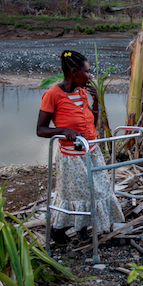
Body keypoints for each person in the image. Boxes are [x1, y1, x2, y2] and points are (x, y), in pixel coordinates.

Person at [37, 50, 124, 244]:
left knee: (99, 191)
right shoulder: (53, 94)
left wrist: (95, 104)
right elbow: (41, 130)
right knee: (81, 194)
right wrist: (63, 130)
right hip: (72, 157)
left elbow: (90, 123)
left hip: (92, 151)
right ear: (75, 72)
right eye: (87, 71)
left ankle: (82, 228)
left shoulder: (82, 92)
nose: (90, 76)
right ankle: (57, 229)